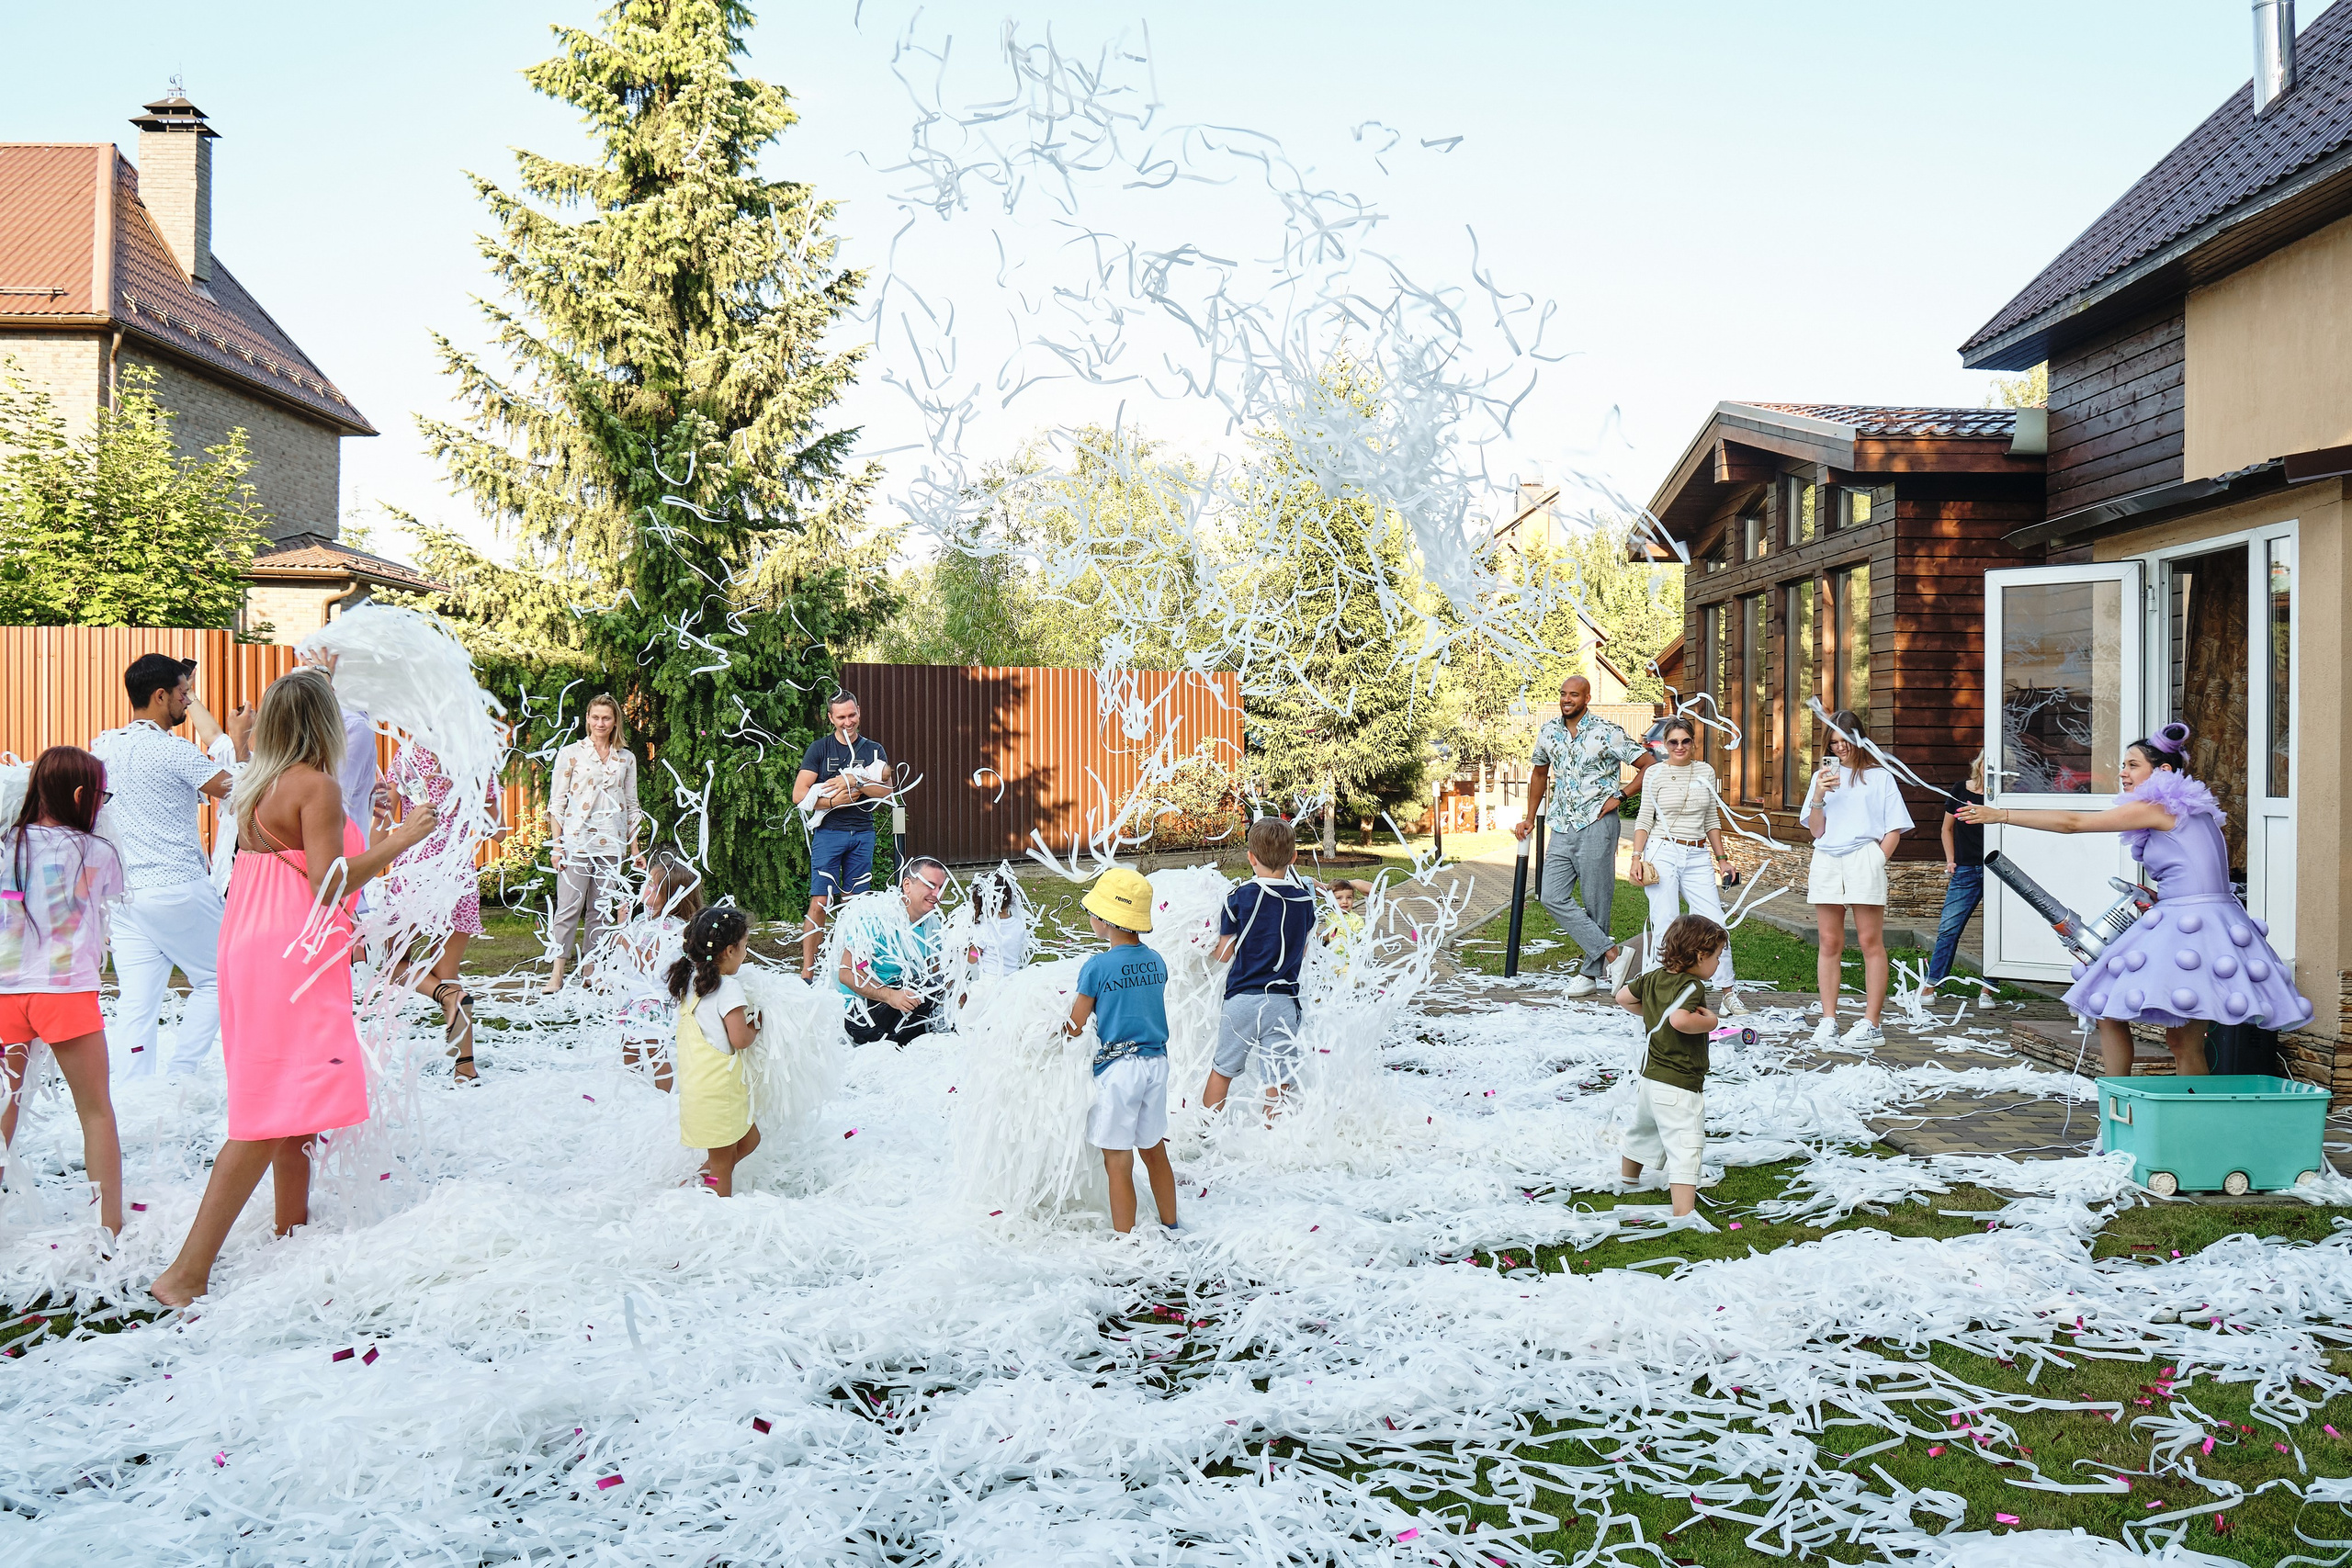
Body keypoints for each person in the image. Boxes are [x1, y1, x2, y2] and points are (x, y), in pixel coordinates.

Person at [150, 670, 439, 1307]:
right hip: (292, 953)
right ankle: (186, 1272)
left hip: (251, 941)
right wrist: (401, 839)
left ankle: (291, 1227)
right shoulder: (317, 785)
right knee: (266, 1113)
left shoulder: (257, 779)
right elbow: (329, 883)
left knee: (293, 1102)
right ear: (323, 722)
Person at [1958, 724, 2311, 1077]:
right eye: (2122, 765)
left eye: (2132, 765)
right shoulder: (2194, 810)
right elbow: (2198, 874)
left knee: (2110, 1009)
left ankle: (2120, 1105)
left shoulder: (2157, 807)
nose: (2122, 773)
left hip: (2190, 925)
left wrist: (2000, 815)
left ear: (2164, 772)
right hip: (2210, 920)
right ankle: (2188, 1118)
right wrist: (2158, 894)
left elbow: (2074, 822)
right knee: (2181, 1042)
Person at [89, 652, 253, 1078]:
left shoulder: (103, 746)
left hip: (123, 894)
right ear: (161, 696)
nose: (187, 702)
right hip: (176, 886)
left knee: (137, 1002)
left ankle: (132, 1094)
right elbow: (241, 791)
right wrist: (239, 742)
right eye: (184, 694)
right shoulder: (172, 751)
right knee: (224, 977)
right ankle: (181, 1074)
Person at [0, 747, 127, 1236]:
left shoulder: (6, 842)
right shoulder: (96, 851)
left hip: (7, 990)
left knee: (2, 1109)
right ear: (81, 796)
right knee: (95, 1111)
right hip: (66, 992)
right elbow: (110, 892)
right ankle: (108, 1227)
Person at [1513, 674, 1657, 998]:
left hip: (1598, 823)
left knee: (1596, 903)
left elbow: (1649, 765)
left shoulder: (1607, 732)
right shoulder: (1548, 731)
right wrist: (1529, 817)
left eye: (1574, 695)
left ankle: (1590, 976)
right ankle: (1613, 955)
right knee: (1549, 895)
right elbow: (1539, 773)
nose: (1567, 699)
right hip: (1561, 825)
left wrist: (1621, 796)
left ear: (1587, 698)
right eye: (1563, 694)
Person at [1065, 867, 1180, 1235]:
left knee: (1117, 1159)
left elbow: (1075, 1025)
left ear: (1106, 919)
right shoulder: (1157, 961)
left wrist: (1054, 1032)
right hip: (1157, 1064)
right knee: (1153, 1150)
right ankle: (1172, 1224)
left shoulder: (1097, 967)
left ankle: (1125, 1240)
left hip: (1119, 1070)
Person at [383, 742, 499, 1082]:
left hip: (417, 867)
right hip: (458, 870)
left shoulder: (407, 755)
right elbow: (498, 824)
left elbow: (389, 810)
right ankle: (465, 1067)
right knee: (449, 971)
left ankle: (445, 996)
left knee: (394, 965)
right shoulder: (476, 754)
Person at [1800, 710, 1914, 1049]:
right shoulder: (1822, 776)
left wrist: (1878, 859)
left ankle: (1872, 1023)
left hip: (1864, 856)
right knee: (1829, 941)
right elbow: (1816, 829)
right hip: (1826, 858)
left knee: (1869, 941)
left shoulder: (1880, 777)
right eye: (1833, 743)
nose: (1839, 748)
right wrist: (1819, 794)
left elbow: (1894, 827)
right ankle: (1828, 1019)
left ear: (1858, 738)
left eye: (1844, 741)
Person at [1611, 913, 1726, 1218]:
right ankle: (1683, 1211)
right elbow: (1680, 1020)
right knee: (1685, 1144)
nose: (1717, 964)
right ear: (1700, 955)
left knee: (1643, 1130)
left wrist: (1649, 1012)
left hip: (1650, 1079)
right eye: (1715, 957)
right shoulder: (1691, 987)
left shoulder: (1653, 976)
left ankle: (1628, 1179)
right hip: (1679, 1082)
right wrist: (1710, 1022)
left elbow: (1623, 997)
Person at [1626, 716, 1744, 1012]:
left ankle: (1728, 992)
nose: (1679, 746)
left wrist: (1722, 860)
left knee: (1714, 922)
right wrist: (1635, 858)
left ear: (1694, 743)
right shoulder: (1654, 774)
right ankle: (1660, 991)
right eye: (1673, 742)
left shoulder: (1705, 771)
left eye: (1685, 741)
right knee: (1665, 922)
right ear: (1665, 745)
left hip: (1697, 855)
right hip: (1662, 851)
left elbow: (1711, 819)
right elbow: (1643, 819)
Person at [1204, 817, 1317, 1120]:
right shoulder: (1305, 901)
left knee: (1222, 1070)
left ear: (1251, 858)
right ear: (1293, 858)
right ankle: (1273, 1137)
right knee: (1279, 1079)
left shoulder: (1239, 898)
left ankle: (1204, 1130)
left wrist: (1201, 949)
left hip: (1241, 999)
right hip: (1282, 1002)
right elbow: (1302, 952)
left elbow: (1224, 954)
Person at [544, 694, 640, 993]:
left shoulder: (626, 758)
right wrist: (557, 846)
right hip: (576, 842)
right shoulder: (571, 754)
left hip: (611, 844)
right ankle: (556, 974)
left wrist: (635, 849)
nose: (600, 723)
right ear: (587, 718)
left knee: (600, 910)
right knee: (568, 909)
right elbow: (556, 804)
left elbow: (632, 804)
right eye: (595, 717)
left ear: (614, 722)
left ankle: (592, 971)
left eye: (606, 718)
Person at [794, 692, 893, 981]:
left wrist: (855, 780)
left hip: (863, 833)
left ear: (859, 712)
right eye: (841, 717)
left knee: (855, 906)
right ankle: (808, 971)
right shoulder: (819, 749)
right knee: (821, 901)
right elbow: (800, 796)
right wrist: (837, 801)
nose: (847, 722)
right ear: (831, 718)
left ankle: (852, 968)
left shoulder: (874, 750)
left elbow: (888, 792)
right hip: (829, 833)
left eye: (852, 715)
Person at [664, 904, 762, 1196]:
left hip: (699, 1088)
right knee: (722, 1165)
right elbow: (740, 1039)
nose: (745, 954)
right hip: (719, 1093)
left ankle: (697, 1183)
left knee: (749, 1139)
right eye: (745, 947)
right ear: (730, 950)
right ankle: (717, 1209)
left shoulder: (692, 980)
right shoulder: (727, 988)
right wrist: (757, 1025)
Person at [609, 851, 703, 1091]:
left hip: (653, 998)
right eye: (647, 883)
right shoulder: (644, 921)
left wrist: (625, 940)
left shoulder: (669, 927)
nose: (645, 888)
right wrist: (623, 924)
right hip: (636, 995)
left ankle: (664, 1098)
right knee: (628, 1045)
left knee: (655, 1050)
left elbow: (649, 966)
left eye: (652, 885)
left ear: (670, 897)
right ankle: (633, 1088)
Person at [833, 857, 951, 1047]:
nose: (936, 894)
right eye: (930, 885)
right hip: (863, 1016)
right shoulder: (876, 917)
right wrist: (890, 996)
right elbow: (847, 973)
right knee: (922, 985)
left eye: (941, 887)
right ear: (907, 885)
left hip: (906, 1011)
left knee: (930, 985)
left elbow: (937, 975)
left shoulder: (933, 925)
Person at [1927, 753, 1987, 987]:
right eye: (1984, 762)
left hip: (1998, 870)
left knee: (1996, 932)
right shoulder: (1960, 789)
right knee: (1948, 928)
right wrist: (1950, 860)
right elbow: (1946, 829)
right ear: (1978, 764)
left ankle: (1988, 989)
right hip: (1966, 869)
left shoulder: (2003, 796)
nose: (1987, 768)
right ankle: (1932, 984)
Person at [966, 870, 1032, 978]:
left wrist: (968, 950)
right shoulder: (1018, 925)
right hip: (1012, 981)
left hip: (990, 983)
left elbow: (972, 958)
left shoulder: (984, 929)